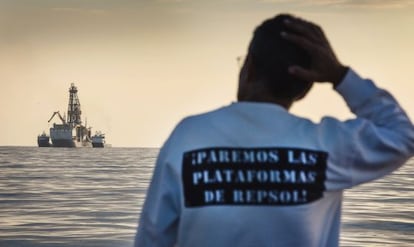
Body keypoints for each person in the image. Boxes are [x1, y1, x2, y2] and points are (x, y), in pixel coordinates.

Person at [134, 14, 414, 247]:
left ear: (249, 67)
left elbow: (152, 238)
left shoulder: (189, 137)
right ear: (305, 88)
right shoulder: (325, 146)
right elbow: (402, 134)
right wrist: (340, 75)